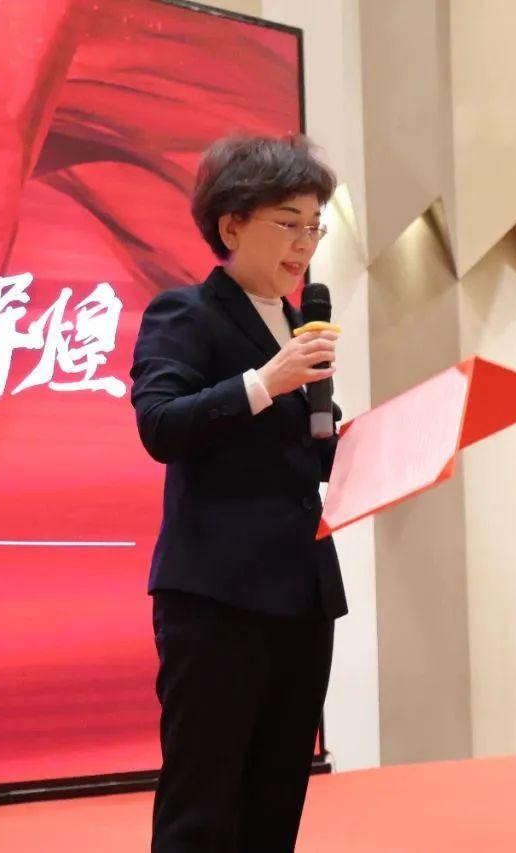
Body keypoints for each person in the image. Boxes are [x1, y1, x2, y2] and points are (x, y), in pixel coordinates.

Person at [130, 134, 345, 852]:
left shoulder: (300, 323)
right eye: (288, 223)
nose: (304, 243)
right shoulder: (185, 313)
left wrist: (370, 444)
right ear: (231, 226)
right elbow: (161, 426)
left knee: (276, 795)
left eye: (315, 226)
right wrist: (265, 380)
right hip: (217, 596)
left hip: (303, 592)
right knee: (203, 800)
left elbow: (307, 448)